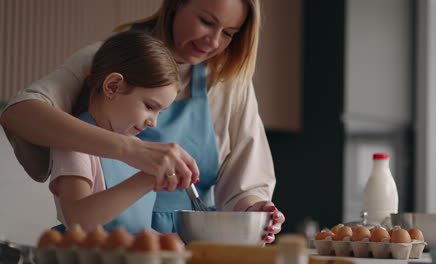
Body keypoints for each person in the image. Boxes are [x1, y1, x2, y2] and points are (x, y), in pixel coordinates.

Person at [0, 0, 285, 242]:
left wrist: (254, 211)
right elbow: (19, 113)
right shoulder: (110, 60)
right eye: (206, 21)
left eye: (229, 33)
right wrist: (132, 152)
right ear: (176, 4)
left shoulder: (229, 83)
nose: (213, 42)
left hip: (193, 244)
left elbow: (244, 185)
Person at [48, 30, 186, 234]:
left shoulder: (138, 149)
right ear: (113, 86)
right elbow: (77, 219)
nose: (154, 123)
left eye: (160, 112)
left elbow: (133, 230)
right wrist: (146, 178)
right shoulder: (75, 143)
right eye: (149, 106)